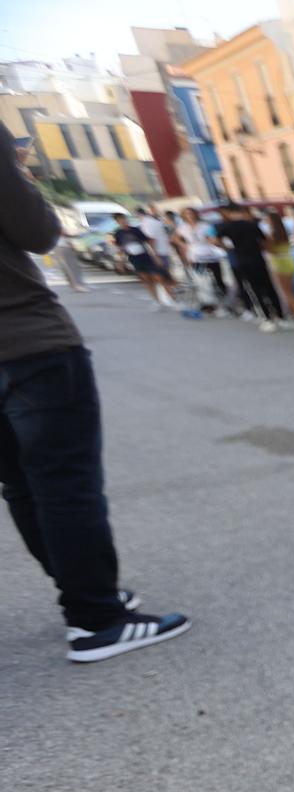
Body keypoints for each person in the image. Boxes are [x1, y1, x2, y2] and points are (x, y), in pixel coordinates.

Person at [2, 140, 190, 661]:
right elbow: (37, 232)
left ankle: (85, 595)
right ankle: (95, 617)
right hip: (24, 340)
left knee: (20, 484)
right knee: (65, 487)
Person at [215, 202, 285, 331]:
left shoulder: (227, 227)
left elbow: (217, 240)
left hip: (243, 260)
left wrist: (228, 248)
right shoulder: (252, 225)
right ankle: (280, 316)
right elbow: (264, 241)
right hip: (258, 259)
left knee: (255, 289)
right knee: (269, 288)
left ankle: (267, 318)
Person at [111, 211, 174, 308]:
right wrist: (120, 262)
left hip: (146, 256)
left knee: (159, 277)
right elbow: (121, 249)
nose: (122, 221)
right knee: (146, 280)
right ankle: (157, 301)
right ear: (117, 222)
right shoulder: (118, 234)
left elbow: (149, 241)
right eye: (119, 220)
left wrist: (156, 256)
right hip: (134, 258)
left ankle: (171, 299)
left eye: (123, 219)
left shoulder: (136, 230)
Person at [175, 206, 227, 311]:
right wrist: (185, 246)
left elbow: (213, 239)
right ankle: (207, 303)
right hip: (195, 256)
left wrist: (215, 243)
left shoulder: (205, 226)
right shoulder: (182, 227)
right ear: (184, 216)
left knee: (217, 279)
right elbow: (175, 238)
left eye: (191, 213)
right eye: (187, 213)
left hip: (209, 254)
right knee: (201, 281)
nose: (190, 216)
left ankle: (224, 302)